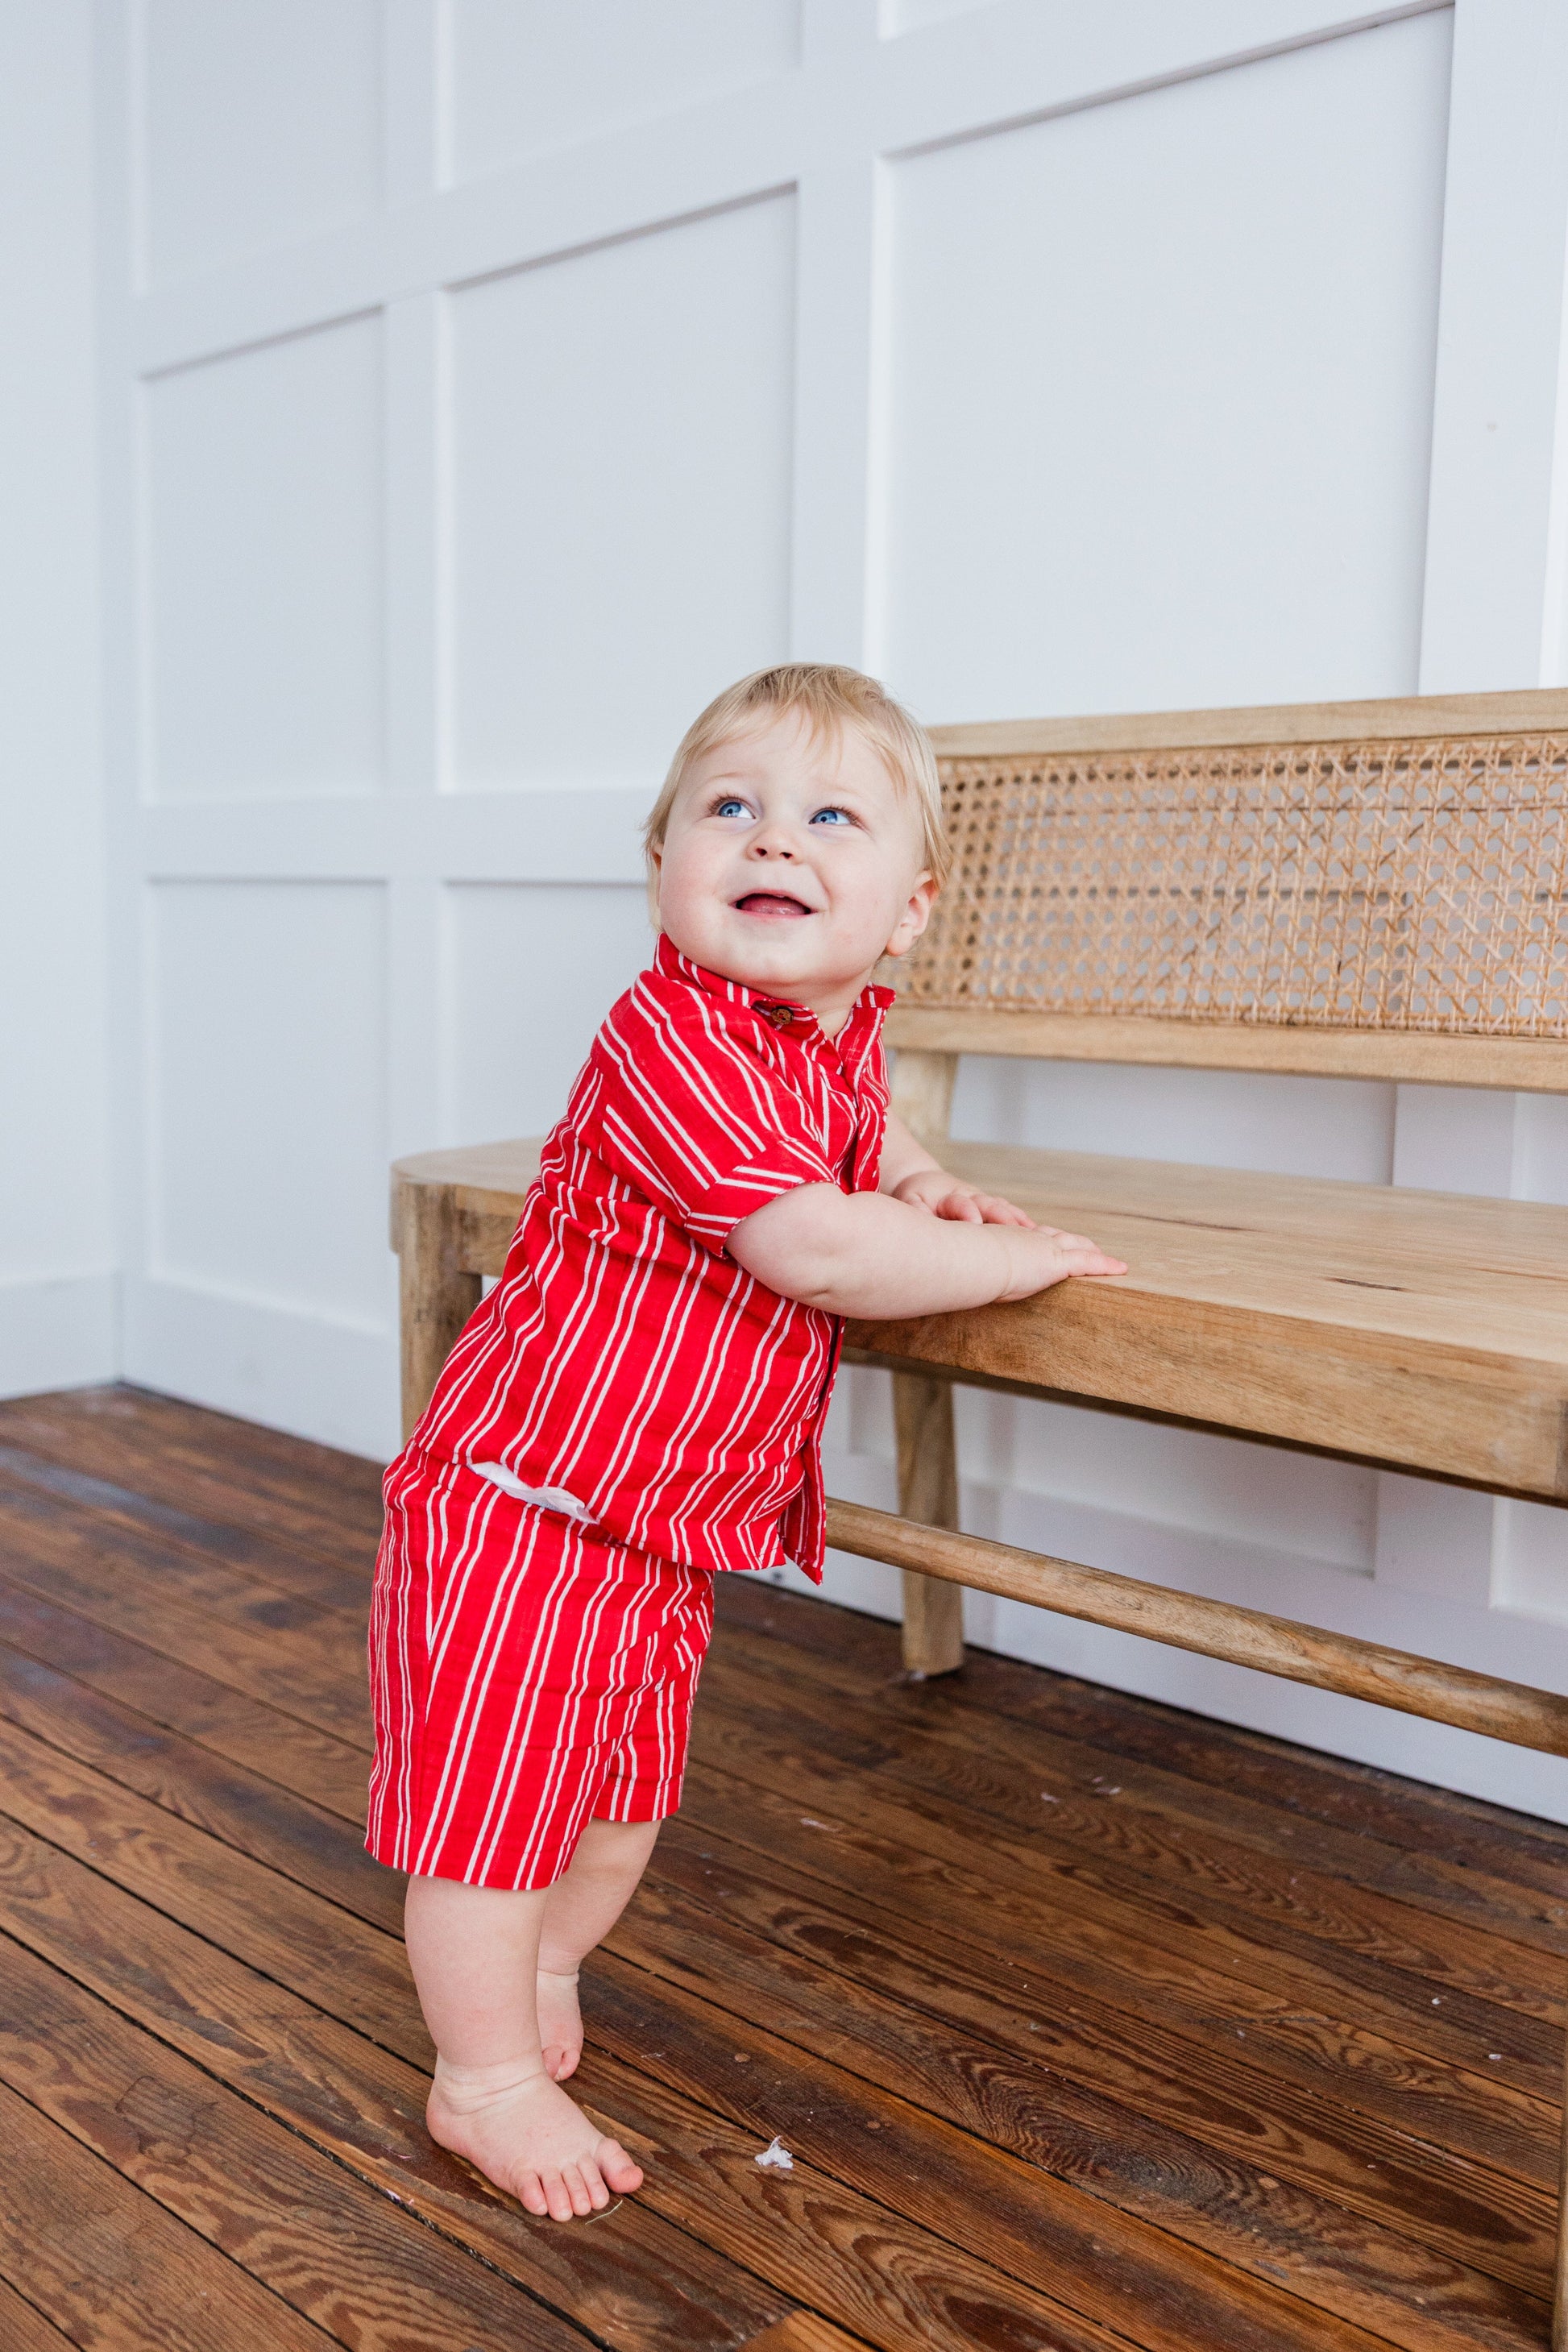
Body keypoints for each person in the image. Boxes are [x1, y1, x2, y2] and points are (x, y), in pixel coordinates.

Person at [365, 662, 1126, 2221]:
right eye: (731, 808)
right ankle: (481, 2080)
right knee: (494, 1815)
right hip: (523, 1502)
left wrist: (921, 1183)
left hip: (656, 1525)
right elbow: (815, 1251)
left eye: (829, 817)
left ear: (905, 914)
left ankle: (541, 1971)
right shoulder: (676, 1040)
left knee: (621, 1799)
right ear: (663, 867)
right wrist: (1001, 1259)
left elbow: (865, 1137)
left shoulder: (824, 1033)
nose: (774, 836)